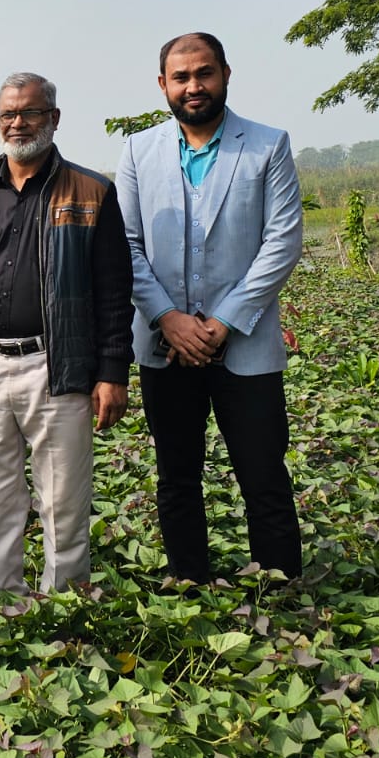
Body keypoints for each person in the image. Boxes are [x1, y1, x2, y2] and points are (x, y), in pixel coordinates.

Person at [0, 72, 134, 603]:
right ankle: (4, 599)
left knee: (63, 496)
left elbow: (115, 291)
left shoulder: (92, 192)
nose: (17, 122)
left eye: (29, 112)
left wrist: (113, 371)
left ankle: (63, 602)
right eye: (8, 114)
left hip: (57, 363)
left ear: (54, 118)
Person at [116, 33, 304, 584]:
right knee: (177, 475)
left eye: (204, 73)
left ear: (225, 74)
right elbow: (124, 244)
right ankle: (188, 581)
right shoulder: (137, 151)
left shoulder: (267, 145)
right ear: (163, 86)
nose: (193, 86)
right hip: (162, 345)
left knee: (263, 474)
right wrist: (167, 319)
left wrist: (221, 323)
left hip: (246, 345)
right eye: (181, 77)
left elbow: (283, 242)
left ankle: (280, 584)